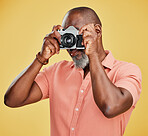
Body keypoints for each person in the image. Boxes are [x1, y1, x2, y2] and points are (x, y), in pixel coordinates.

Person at [4, 7, 142, 136]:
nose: (71, 45)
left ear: (97, 31)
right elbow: (12, 100)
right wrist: (41, 58)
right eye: (67, 36)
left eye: (77, 34)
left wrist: (92, 54)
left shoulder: (126, 71)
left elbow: (110, 107)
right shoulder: (56, 71)